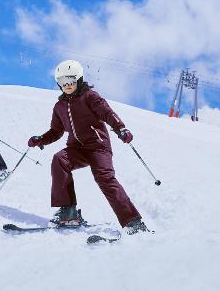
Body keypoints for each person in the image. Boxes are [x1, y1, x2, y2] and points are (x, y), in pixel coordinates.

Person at [27, 59, 149, 234]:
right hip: (77, 148)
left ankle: (133, 223)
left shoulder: (90, 96)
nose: (67, 85)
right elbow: (56, 131)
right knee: (60, 159)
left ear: (79, 79)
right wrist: (40, 139)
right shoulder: (59, 106)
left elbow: (107, 113)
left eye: (70, 80)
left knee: (105, 179)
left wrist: (120, 128)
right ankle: (68, 213)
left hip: (98, 146)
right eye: (62, 82)